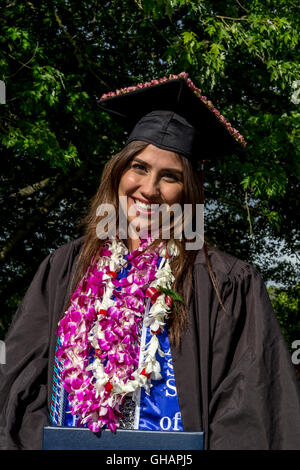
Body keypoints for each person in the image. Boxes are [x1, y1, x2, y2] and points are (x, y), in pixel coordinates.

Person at [0, 72, 299, 451]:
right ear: (118, 171)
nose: (149, 189)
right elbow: (20, 385)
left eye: (169, 176)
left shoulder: (224, 282)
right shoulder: (66, 267)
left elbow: (248, 408)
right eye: (138, 167)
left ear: (187, 192)